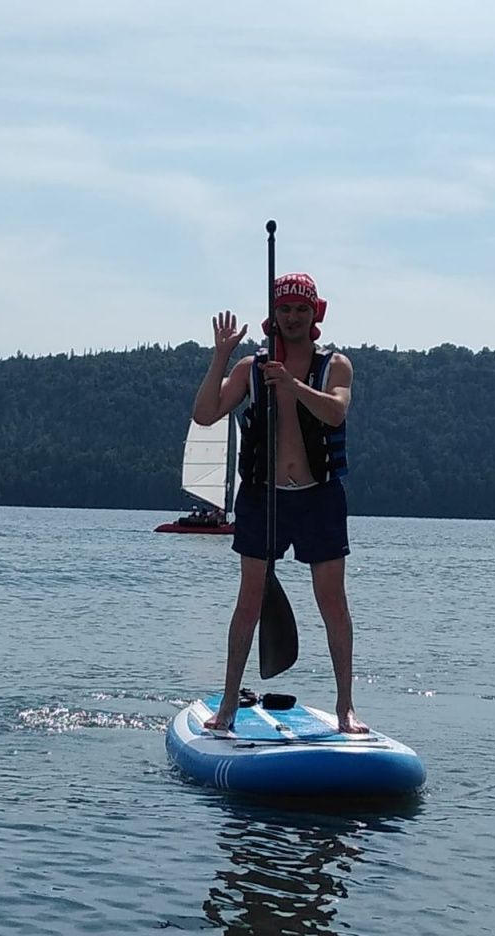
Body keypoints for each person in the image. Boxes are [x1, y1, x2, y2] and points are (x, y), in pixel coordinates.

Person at [192, 272, 368, 734]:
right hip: (263, 498)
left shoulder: (336, 366)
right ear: (274, 315)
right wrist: (220, 357)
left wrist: (292, 386)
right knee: (249, 601)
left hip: (318, 497)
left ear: (316, 315)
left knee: (332, 602)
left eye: (302, 310)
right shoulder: (252, 367)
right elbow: (206, 413)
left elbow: (336, 411)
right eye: (285, 309)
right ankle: (228, 705)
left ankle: (346, 707)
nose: (293, 317)